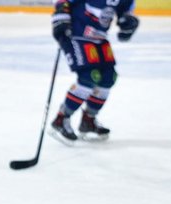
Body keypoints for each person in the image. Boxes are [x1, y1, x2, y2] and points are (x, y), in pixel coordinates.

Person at [49, 0, 138, 143]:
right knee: (88, 77)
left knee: (108, 78)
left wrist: (128, 21)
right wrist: (61, 15)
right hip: (75, 35)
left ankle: (88, 121)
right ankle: (61, 119)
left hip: (99, 38)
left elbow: (125, 9)